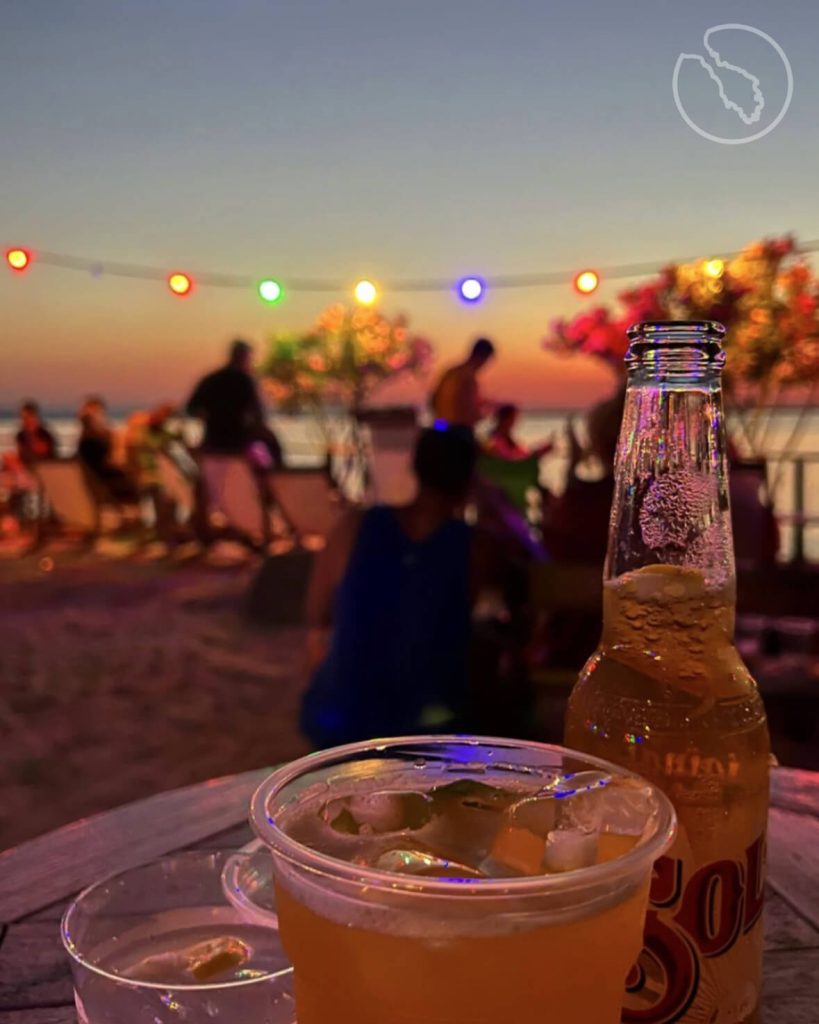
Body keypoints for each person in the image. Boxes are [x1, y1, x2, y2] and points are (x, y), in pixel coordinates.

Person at [301, 426, 480, 748]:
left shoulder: (354, 526)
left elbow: (316, 611)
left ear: (415, 468)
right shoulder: (476, 546)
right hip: (432, 723)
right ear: (471, 480)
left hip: (340, 717)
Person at [186, 339, 283, 467]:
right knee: (269, 453)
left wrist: (210, 417)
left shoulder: (211, 380)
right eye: (249, 359)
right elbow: (257, 413)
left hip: (213, 442)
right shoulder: (244, 381)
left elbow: (191, 409)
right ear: (243, 357)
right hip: (237, 444)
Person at [76, 397, 139, 502]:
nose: (100, 417)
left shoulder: (100, 435)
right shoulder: (90, 441)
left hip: (98, 483)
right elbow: (105, 464)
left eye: (100, 413)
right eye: (96, 414)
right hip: (102, 485)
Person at [430, 337, 496, 429]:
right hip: (457, 432)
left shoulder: (451, 372)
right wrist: (487, 414)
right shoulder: (468, 378)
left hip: (439, 427)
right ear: (483, 357)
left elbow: (434, 400)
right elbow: (468, 412)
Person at [484, 404, 553, 461]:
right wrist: (537, 453)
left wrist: (539, 451)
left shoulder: (508, 439)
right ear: (504, 419)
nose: (515, 422)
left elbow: (523, 455)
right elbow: (509, 459)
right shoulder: (494, 440)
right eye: (513, 419)